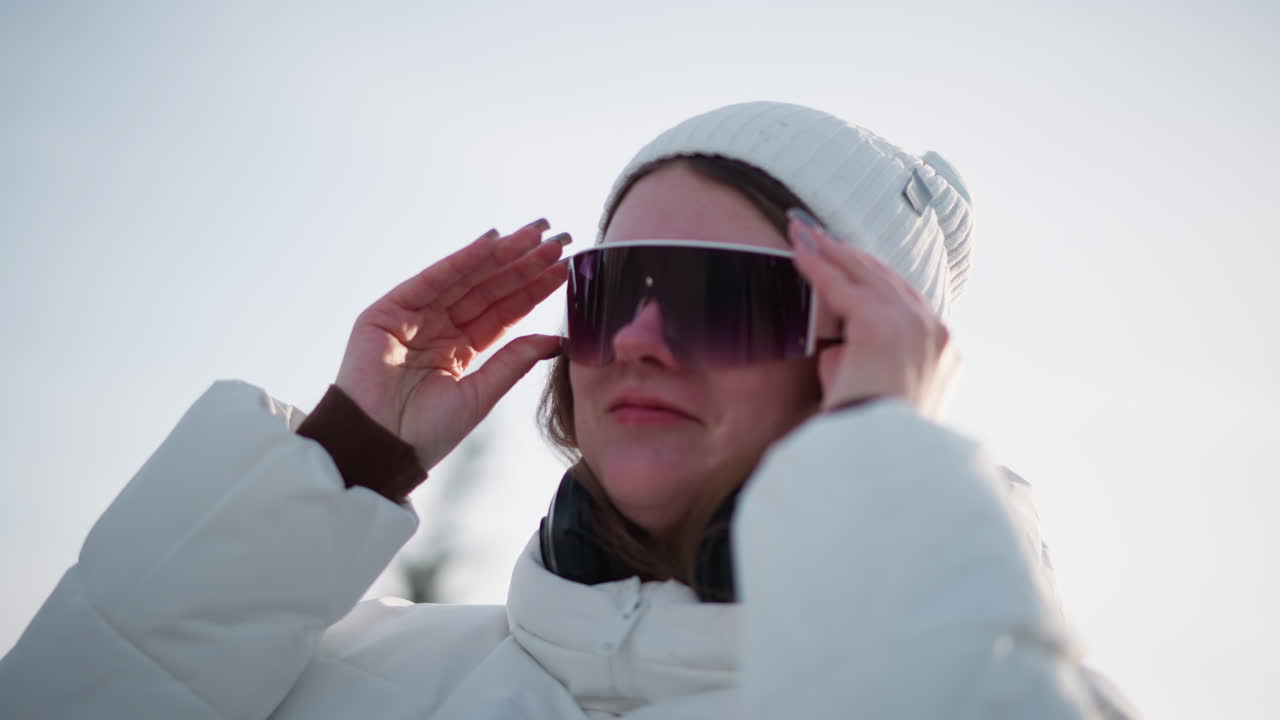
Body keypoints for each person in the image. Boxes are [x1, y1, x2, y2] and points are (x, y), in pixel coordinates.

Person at [0, 101, 1137, 719]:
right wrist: (336, 467)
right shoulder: (323, 677)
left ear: (853, 362)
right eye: (614, 289)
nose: (641, 336)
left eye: (717, 300)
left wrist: (887, 471)